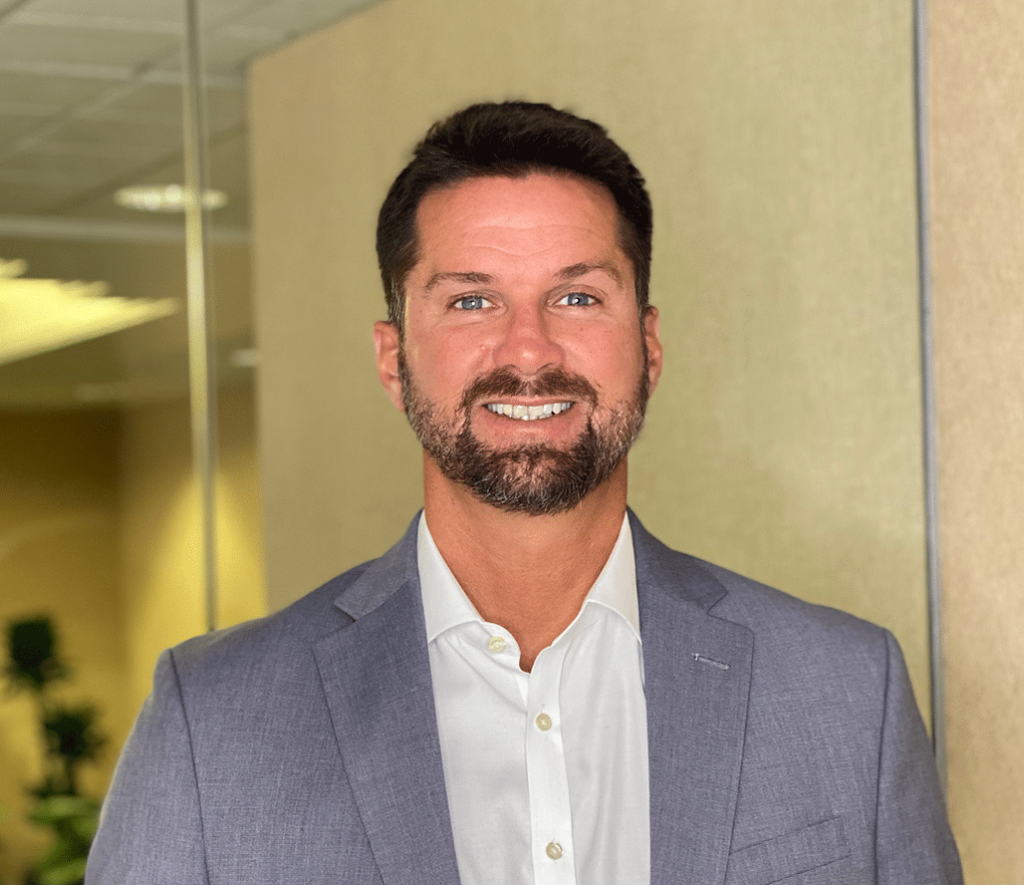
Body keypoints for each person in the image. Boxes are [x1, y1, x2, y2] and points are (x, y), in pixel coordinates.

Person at [86, 101, 962, 885]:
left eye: (577, 296)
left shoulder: (847, 693)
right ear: (394, 358)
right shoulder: (215, 723)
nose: (531, 349)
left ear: (648, 346)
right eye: (472, 302)